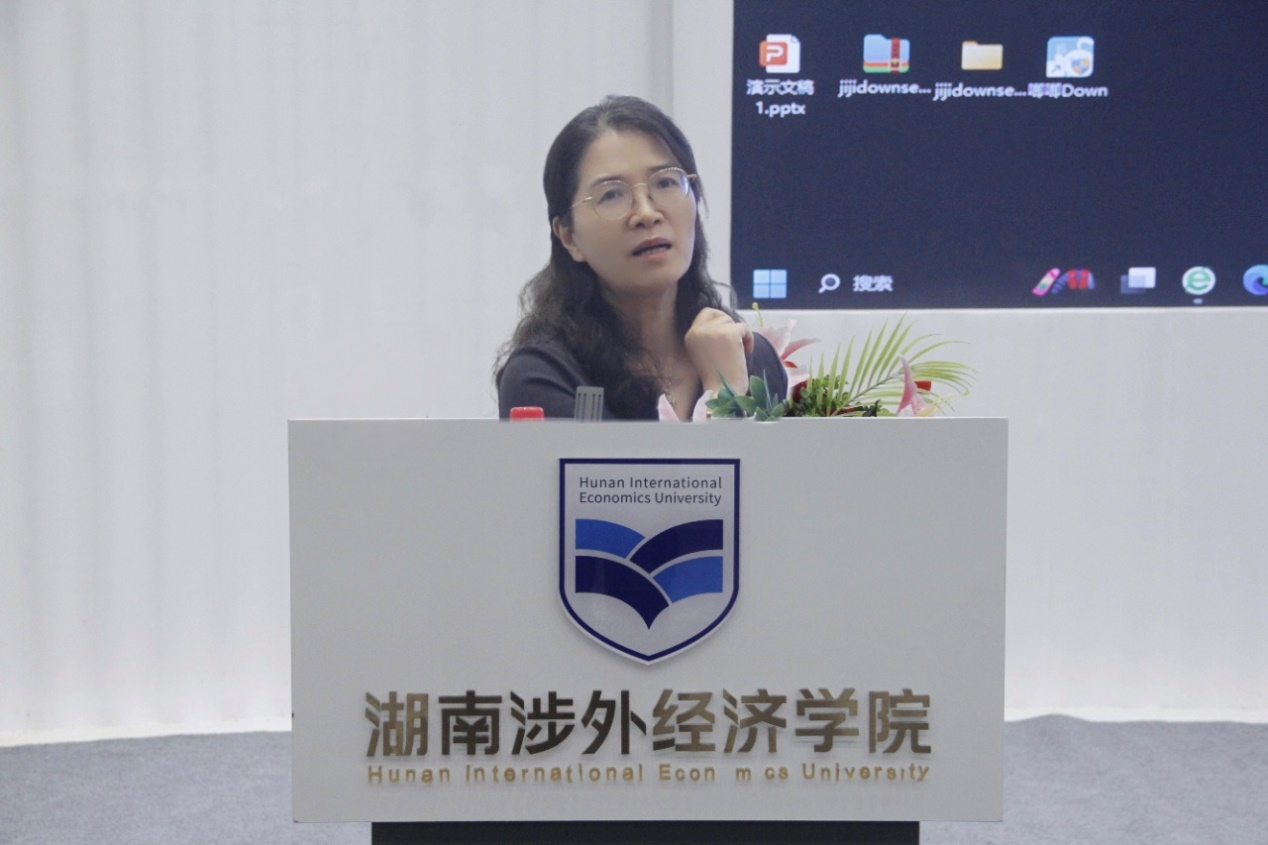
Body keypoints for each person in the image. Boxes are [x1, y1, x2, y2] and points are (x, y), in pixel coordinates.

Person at [495, 95, 786, 420]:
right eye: (612, 195)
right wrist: (725, 393)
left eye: (666, 182)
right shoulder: (543, 377)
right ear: (569, 236)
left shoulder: (749, 358)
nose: (646, 214)